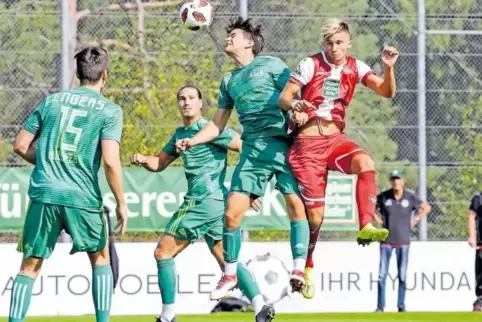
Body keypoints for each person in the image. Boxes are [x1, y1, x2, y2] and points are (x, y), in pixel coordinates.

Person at [176, 17, 310, 299]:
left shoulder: (271, 65)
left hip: (283, 144)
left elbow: (295, 93)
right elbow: (216, 126)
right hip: (252, 152)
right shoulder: (229, 80)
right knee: (231, 214)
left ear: (249, 42)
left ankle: (299, 269)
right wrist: (193, 139)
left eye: (233, 35)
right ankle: (230, 273)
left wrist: (300, 111)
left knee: (296, 208)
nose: (228, 38)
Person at [131, 85, 275, 322]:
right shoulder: (180, 134)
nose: (186, 102)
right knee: (226, 260)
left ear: (200, 103)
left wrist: (250, 187)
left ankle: (167, 317)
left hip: (202, 200)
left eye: (190, 98)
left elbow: (244, 147)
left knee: (162, 252)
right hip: (217, 203)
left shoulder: (211, 129)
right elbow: (159, 163)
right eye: (181, 98)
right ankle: (260, 306)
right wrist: (144, 159)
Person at [278, 18, 398, 299]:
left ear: (348, 44)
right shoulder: (310, 64)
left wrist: (388, 68)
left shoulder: (356, 67)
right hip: (307, 145)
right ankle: (307, 264)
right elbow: (284, 97)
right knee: (316, 217)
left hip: (335, 141)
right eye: (330, 43)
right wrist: (296, 105)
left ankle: (366, 225)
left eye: (339, 43)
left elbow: (387, 91)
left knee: (365, 163)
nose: (334, 48)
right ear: (325, 44)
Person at [10, 46, 128, 322]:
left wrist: (50, 159)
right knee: (101, 261)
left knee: (29, 267)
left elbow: (20, 145)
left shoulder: (52, 101)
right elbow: (111, 161)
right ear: (104, 76)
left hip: (46, 193)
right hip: (83, 196)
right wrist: (122, 203)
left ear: (78, 75)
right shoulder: (110, 111)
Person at [374, 170, 431, 312]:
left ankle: (401, 306)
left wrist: (415, 219)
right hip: (386, 241)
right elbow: (370, 208)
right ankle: (380, 307)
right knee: (382, 276)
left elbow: (426, 207)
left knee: (402, 275)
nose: (396, 182)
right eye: (393, 179)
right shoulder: (384, 196)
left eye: (398, 179)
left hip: (403, 241)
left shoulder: (410, 197)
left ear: (403, 181)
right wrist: (378, 220)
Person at [468, 191, 482, 311]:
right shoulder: (478, 198)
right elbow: (472, 216)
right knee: (481, 273)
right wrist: (472, 237)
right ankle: (480, 300)